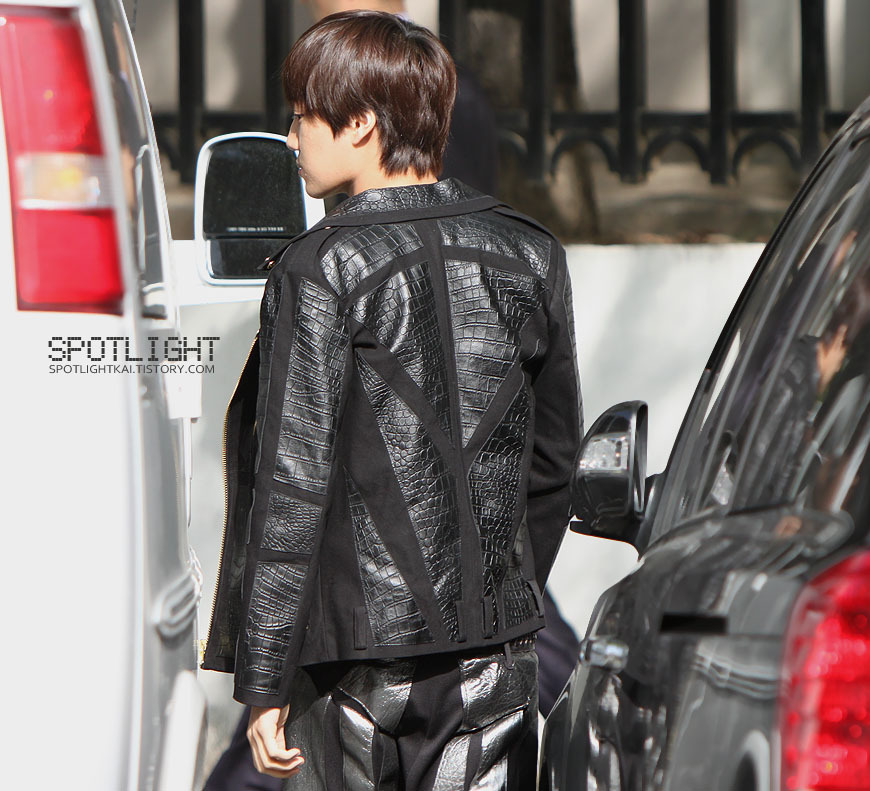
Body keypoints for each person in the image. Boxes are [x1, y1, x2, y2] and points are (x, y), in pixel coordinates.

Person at [201, 11, 581, 791]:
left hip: (355, 665)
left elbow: (292, 485)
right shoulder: (531, 251)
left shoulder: (321, 268)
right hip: (494, 658)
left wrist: (264, 679)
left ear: (361, 123)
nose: (292, 137)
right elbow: (553, 461)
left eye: (303, 115)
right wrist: (497, 596)